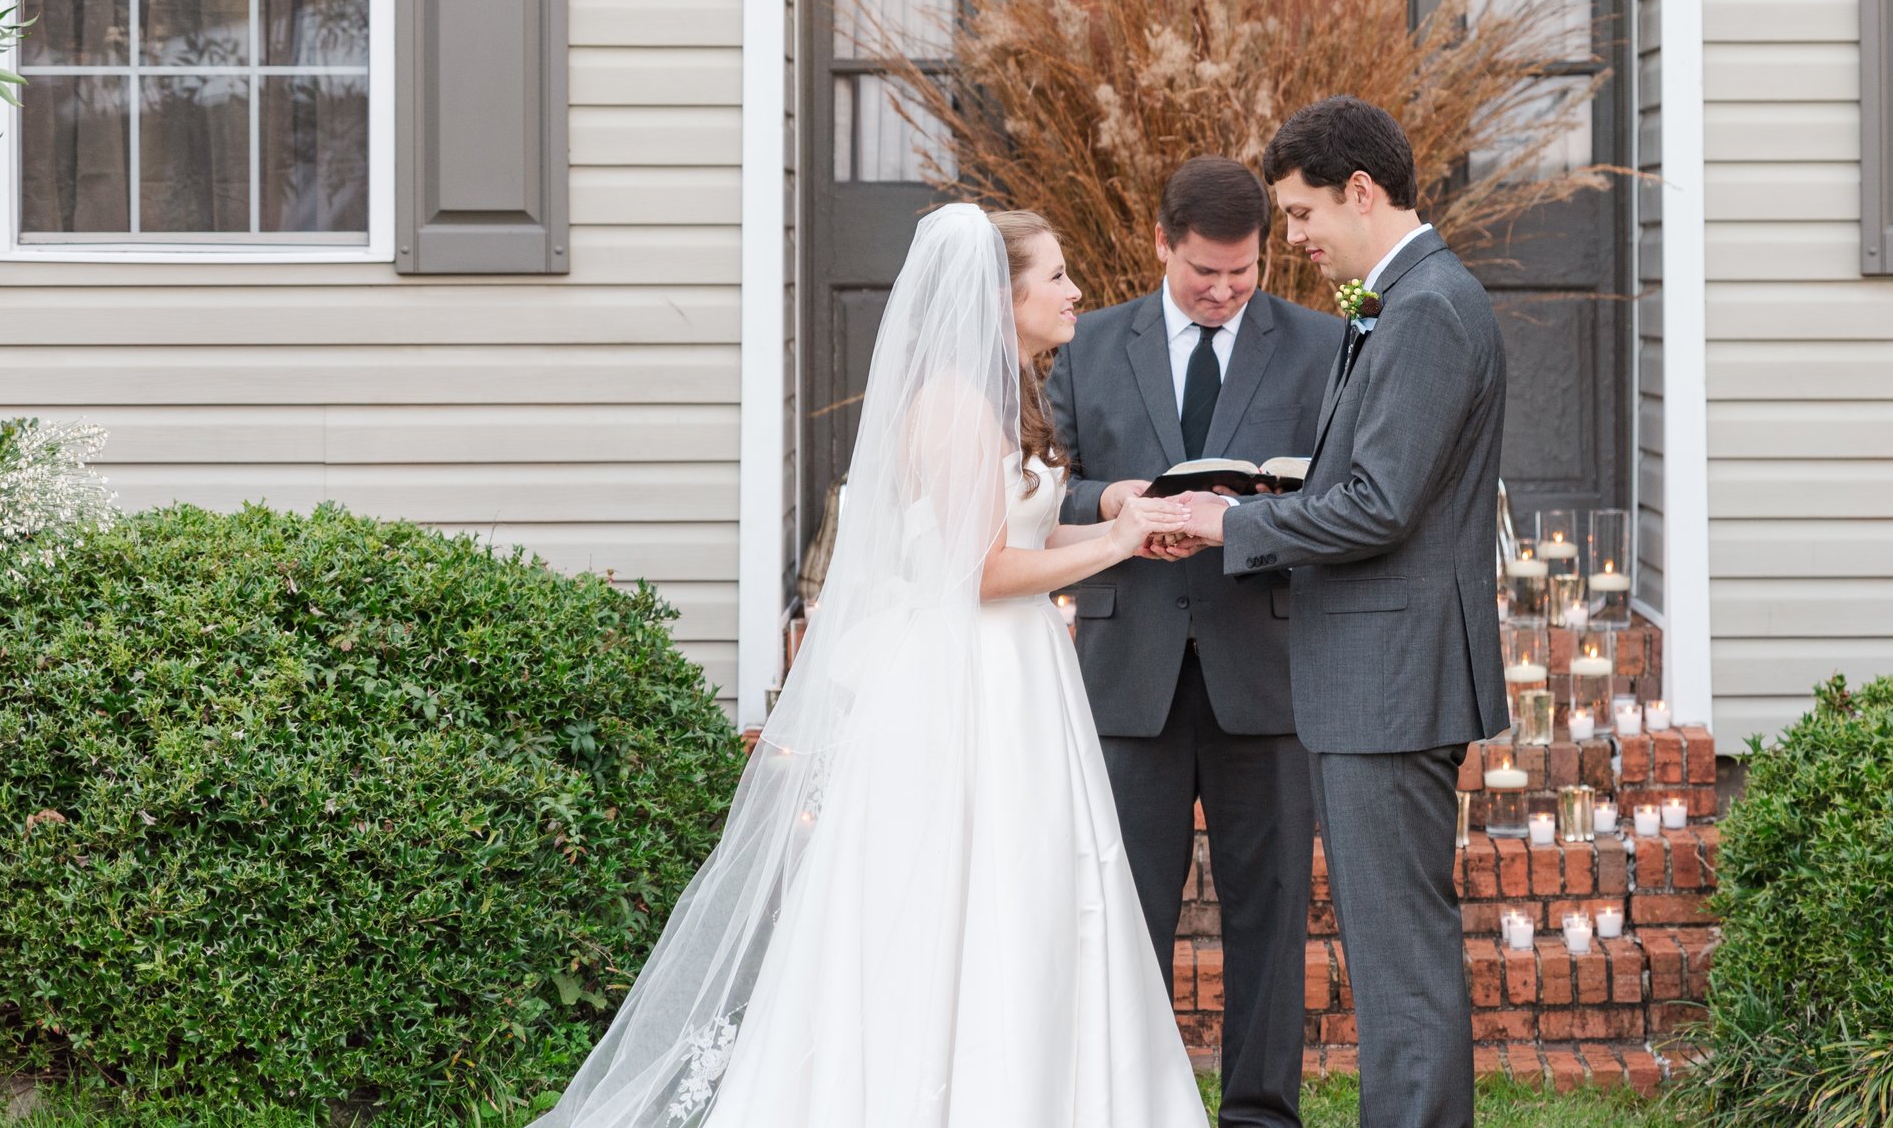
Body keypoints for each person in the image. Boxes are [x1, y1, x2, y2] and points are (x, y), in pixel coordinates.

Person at [534, 204, 1207, 1128]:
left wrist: (1123, 526)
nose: (1074, 290)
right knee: (953, 899)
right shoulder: (952, 407)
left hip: (1016, 676)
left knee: (1028, 890)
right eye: (1054, 276)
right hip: (965, 684)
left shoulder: (1004, 393)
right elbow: (982, 572)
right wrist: (1119, 544)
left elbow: (1023, 529)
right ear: (999, 297)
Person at [1182, 97, 1509, 1128]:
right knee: (1393, 948)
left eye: (1299, 212)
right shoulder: (1406, 300)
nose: (1296, 237)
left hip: (1390, 680)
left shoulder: (1424, 309)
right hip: (1380, 675)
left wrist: (1230, 527)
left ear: (1360, 191)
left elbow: (1379, 503)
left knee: (1399, 955)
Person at [1045, 156, 1344, 1128]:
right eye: (1202, 272)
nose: (1222, 292)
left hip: (1266, 664)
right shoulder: (1087, 346)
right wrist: (1113, 501)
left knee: (1269, 917)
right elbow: (1042, 480)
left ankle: (1260, 1113)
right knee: (1125, 917)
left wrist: (1261, 509)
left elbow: (1345, 493)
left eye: (1243, 273)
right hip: (1127, 669)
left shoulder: (1323, 343)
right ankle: (1124, 1105)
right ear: (1161, 243)